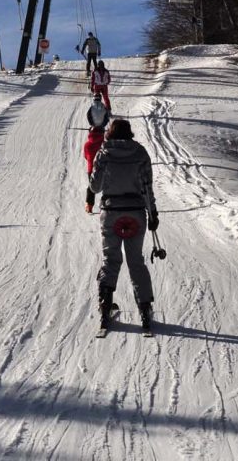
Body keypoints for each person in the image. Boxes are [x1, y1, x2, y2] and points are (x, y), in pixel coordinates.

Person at [89, 118, 159, 332]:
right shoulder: (140, 153)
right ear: (129, 133)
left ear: (110, 132)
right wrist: (152, 213)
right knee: (136, 260)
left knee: (111, 259)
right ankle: (145, 308)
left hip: (111, 212)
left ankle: (105, 303)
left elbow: (94, 186)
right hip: (136, 213)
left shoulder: (104, 154)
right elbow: (147, 187)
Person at [83, 125, 104, 214]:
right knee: (107, 187)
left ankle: (89, 206)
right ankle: (105, 206)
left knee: (91, 187)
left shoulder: (87, 145)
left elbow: (85, 156)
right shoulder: (104, 143)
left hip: (91, 169)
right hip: (104, 168)